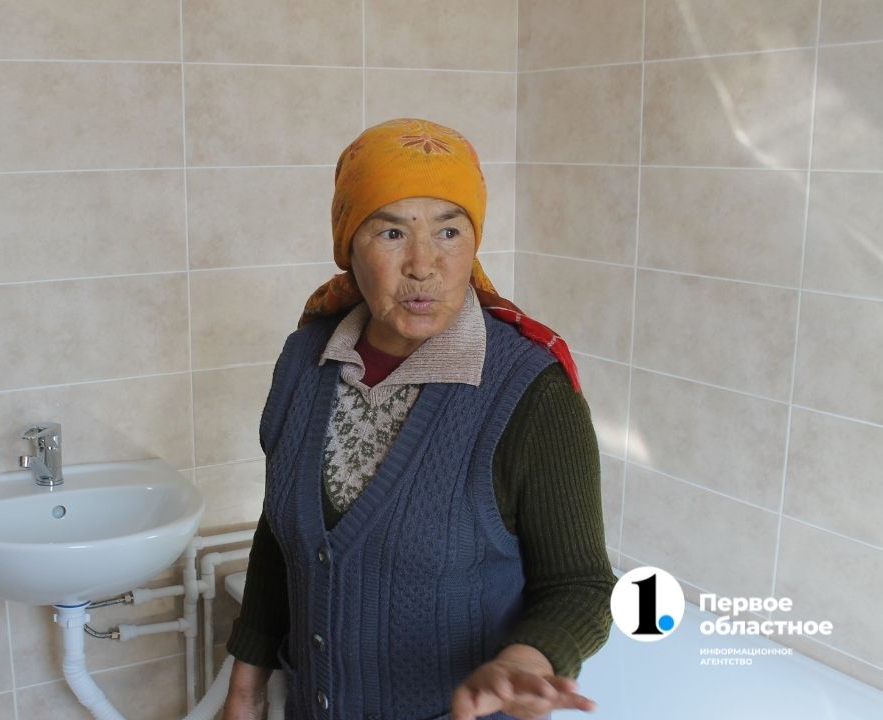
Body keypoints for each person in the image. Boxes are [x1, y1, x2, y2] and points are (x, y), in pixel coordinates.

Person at [220, 118, 616, 720]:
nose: (423, 264)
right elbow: (282, 541)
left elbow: (581, 585)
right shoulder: (304, 359)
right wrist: (244, 694)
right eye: (391, 232)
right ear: (349, 246)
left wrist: (527, 659)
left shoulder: (531, 391)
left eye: (449, 231)